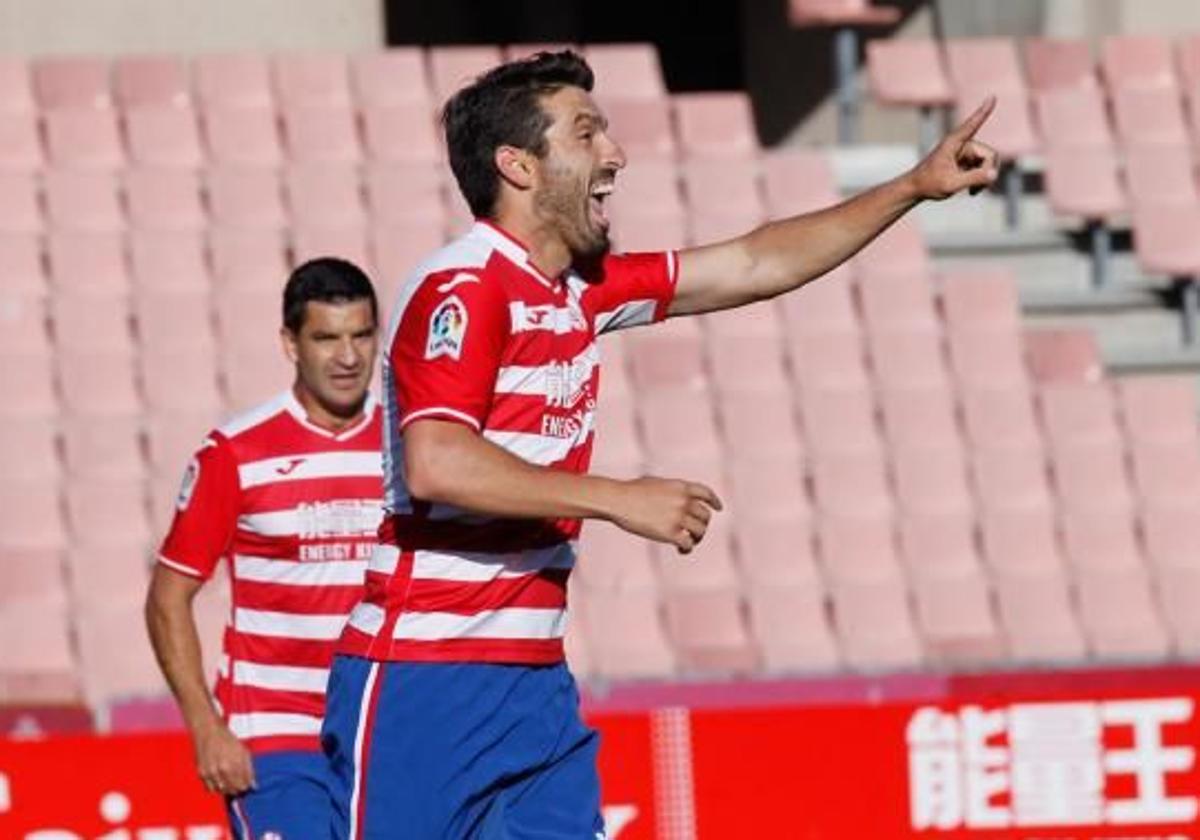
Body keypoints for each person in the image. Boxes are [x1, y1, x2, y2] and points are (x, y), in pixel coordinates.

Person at [321, 50, 998, 838]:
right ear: (518, 166)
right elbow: (439, 462)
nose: (615, 154)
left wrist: (911, 188)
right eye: (587, 133)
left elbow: (754, 261)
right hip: (424, 680)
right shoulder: (465, 288)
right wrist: (616, 498)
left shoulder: (582, 288)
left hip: (533, 688)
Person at [145, 258, 384, 839]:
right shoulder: (236, 453)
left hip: (384, 732)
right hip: (276, 735)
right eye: (327, 338)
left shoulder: (413, 448)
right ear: (290, 344)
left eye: (361, 335)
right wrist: (206, 726)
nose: (348, 357)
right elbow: (167, 598)